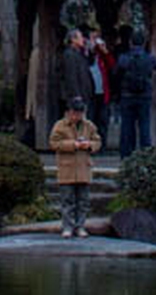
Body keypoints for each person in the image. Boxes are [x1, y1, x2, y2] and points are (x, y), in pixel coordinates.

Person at [49, 95, 101, 238]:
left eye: (80, 113)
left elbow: (97, 142)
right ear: (68, 112)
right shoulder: (60, 125)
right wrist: (73, 145)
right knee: (67, 201)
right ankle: (67, 227)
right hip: (67, 169)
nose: (77, 116)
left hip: (84, 168)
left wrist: (89, 145)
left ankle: (80, 227)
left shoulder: (89, 125)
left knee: (83, 201)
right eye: (75, 113)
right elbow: (54, 143)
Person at [115, 30, 156, 156]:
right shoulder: (149, 58)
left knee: (126, 126)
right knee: (144, 125)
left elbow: (117, 71)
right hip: (144, 96)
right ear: (144, 43)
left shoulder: (124, 58)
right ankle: (145, 153)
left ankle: (126, 154)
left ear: (130, 42)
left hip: (127, 96)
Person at [88, 32, 114, 150]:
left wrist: (105, 51)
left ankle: (102, 145)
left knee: (103, 120)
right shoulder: (85, 53)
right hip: (90, 93)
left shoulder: (102, 56)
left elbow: (113, 66)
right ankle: (91, 144)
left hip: (103, 93)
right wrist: (90, 48)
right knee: (90, 119)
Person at [60, 27, 94, 115]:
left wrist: (88, 50)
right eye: (80, 37)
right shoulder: (69, 54)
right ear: (73, 39)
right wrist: (76, 95)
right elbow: (71, 76)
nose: (83, 39)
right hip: (76, 96)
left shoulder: (80, 53)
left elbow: (89, 63)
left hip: (84, 94)